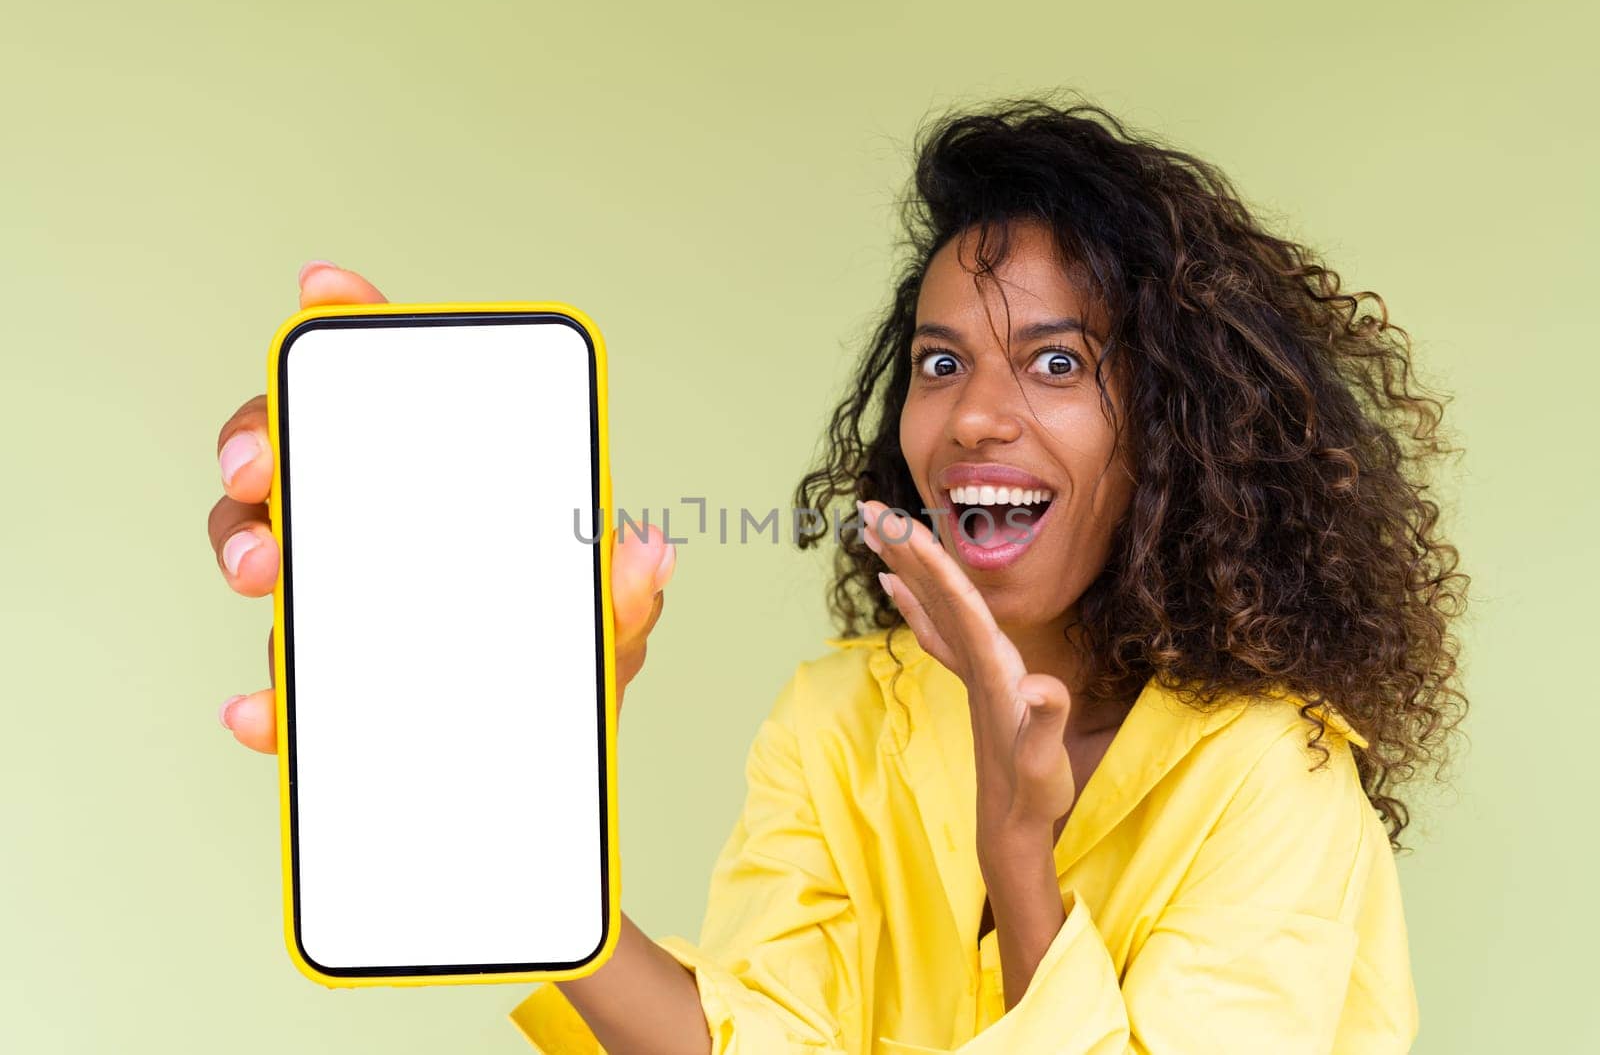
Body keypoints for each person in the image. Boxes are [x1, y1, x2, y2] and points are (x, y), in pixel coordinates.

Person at [207, 93, 1466, 1053]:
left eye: (1056, 363)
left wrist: (1019, 852)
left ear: (1178, 432)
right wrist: (519, 795)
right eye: (938, 362)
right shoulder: (838, 719)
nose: (974, 415)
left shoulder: (1275, 772)